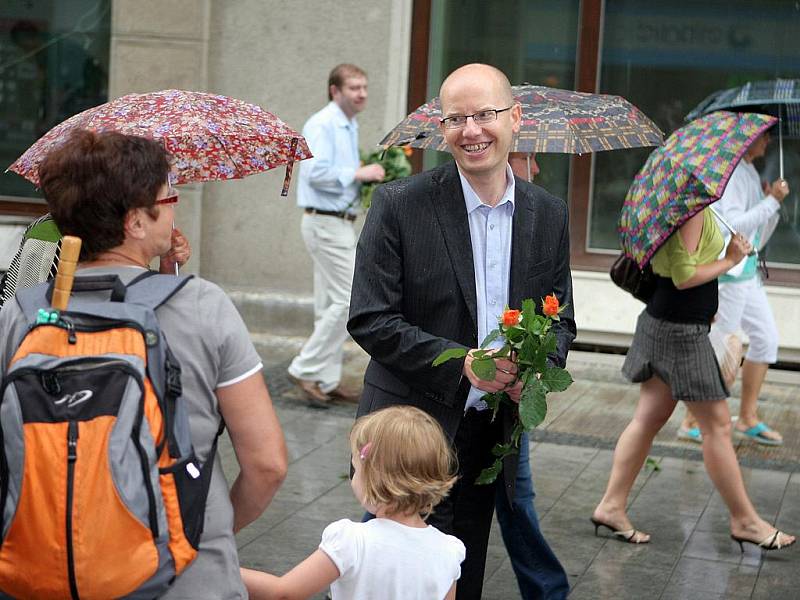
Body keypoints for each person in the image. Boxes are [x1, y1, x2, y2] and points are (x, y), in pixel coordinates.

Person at [0, 129, 289, 598]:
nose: (174, 206)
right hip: (183, 577)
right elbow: (267, 464)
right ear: (136, 222)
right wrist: (199, 527)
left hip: (41, 572)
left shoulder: (22, 313)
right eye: (167, 196)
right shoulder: (203, 306)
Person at [347, 63, 576, 600]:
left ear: (516, 119)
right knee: (390, 579)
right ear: (441, 127)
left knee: (460, 574)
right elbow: (370, 317)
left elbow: (561, 318)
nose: (471, 130)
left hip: (487, 431)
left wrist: (536, 371)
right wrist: (463, 363)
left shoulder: (548, 214)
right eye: (456, 118)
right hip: (406, 432)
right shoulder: (400, 205)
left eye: (485, 115)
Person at [592, 206, 795, 551]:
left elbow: (679, 268)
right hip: (680, 334)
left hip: (665, 323)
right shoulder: (690, 212)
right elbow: (684, 276)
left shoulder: (682, 206)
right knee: (717, 426)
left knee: (648, 418)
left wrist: (706, 304)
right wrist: (731, 258)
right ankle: (745, 521)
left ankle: (611, 505)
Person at [241, 405, 466, 600]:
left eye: (356, 470)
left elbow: (283, 593)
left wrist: (216, 566)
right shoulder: (448, 551)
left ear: (374, 478)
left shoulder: (352, 542)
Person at [678, 129, 789, 445]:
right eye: (764, 136)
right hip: (730, 277)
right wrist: (771, 200)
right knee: (720, 349)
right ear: (746, 139)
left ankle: (747, 418)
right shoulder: (732, 174)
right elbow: (737, 224)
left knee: (766, 340)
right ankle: (691, 420)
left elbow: (755, 231)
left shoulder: (749, 170)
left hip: (747, 272)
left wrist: (769, 202)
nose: (768, 141)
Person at [287, 63, 385, 408]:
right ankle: (304, 367)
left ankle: (324, 380)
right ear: (335, 91)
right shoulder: (322, 123)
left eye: (364, 87)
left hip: (337, 221)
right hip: (324, 222)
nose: (362, 94)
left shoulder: (347, 124)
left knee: (329, 303)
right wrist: (360, 173)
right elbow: (315, 173)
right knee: (349, 299)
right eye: (354, 88)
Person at [0, 212, 190, 309]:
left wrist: (168, 268)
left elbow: (149, 307)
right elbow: (22, 308)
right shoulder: (48, 231)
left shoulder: (134, 229)